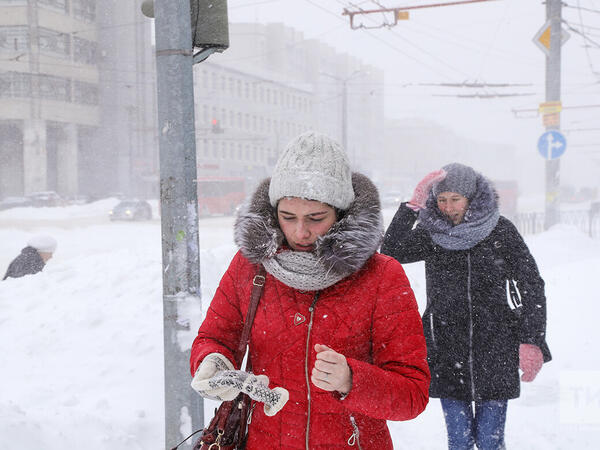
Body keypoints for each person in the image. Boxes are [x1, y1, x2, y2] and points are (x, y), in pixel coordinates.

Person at [190, 131, 430, 449]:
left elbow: (412, 394)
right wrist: (212, 361)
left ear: (341, 213)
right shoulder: (250, 266)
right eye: (287, 217)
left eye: (316, 218)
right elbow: (214, 339)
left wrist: (351, 380)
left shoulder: (382, 276)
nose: (300, 231)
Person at [381, 163, 551, 450]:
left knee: (489, 440)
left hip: (495, 346)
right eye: (441, 200)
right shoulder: (431, 233)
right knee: (458, 440)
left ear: (471, 198)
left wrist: (532, 340)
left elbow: (531, 284)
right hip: (447, 346)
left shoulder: (499, 230)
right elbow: (392, 252)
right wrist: (412, 206)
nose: (448, 207)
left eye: (455, 199)